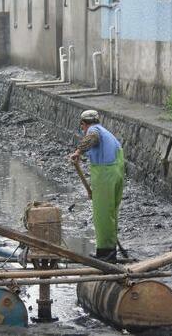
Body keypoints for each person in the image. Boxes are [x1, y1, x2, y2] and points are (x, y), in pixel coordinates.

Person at [70, 110, 124, 263]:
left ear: (83, 124)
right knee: (111, 213)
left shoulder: (94, 130)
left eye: (82, 127)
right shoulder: (107, 133)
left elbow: (91, 138)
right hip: (115, 172)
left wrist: (78, 152)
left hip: (105, 174)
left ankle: (106, 254)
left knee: (103, 215)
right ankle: (110, 250)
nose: (83, 130)